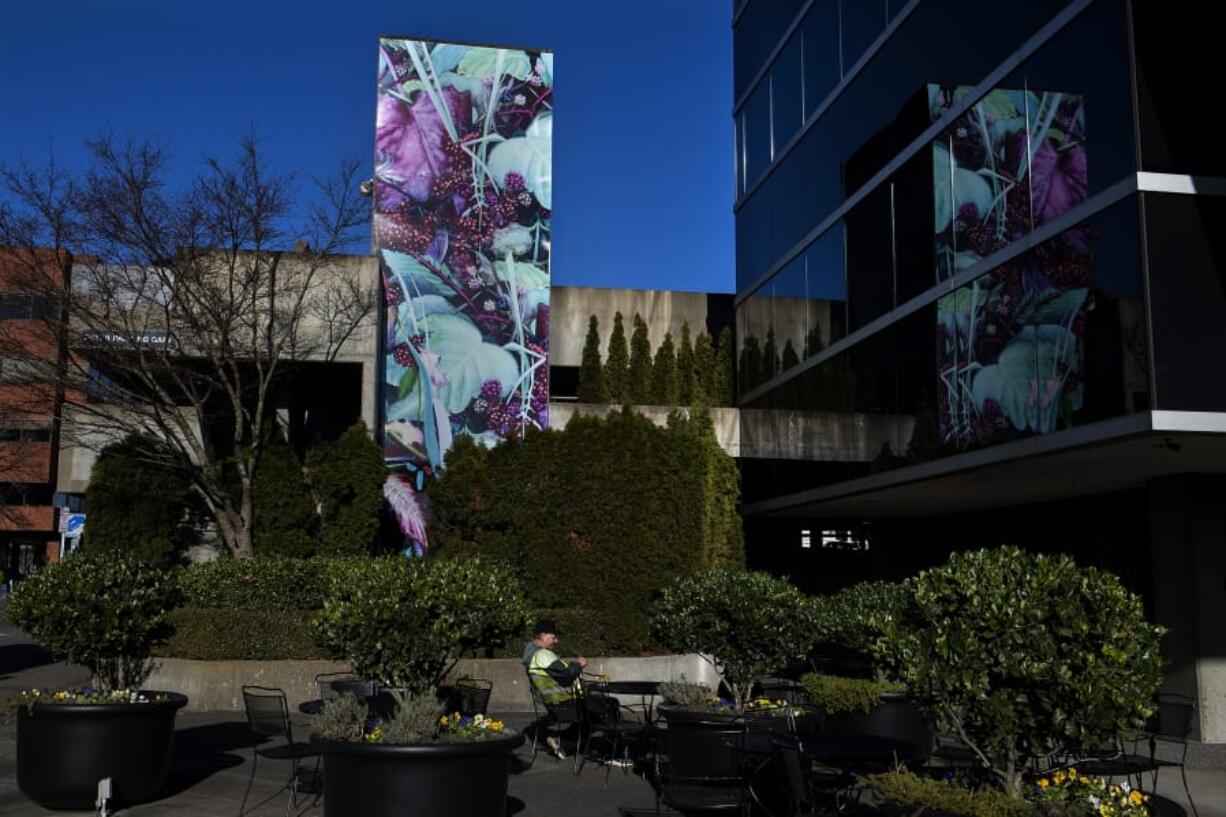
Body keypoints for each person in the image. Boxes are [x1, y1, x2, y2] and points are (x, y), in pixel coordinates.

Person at [523, 618, 617, 758]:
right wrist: (579, 664)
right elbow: (567, 676)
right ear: (543, 635)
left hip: (557, 704)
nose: (556, 641)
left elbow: (558, 673)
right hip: (566, 704)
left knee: (594, 713)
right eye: (553, 637)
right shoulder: (542, 654)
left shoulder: (532, 654)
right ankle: (610, 753)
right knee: (610, 705)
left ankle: (565, 743)